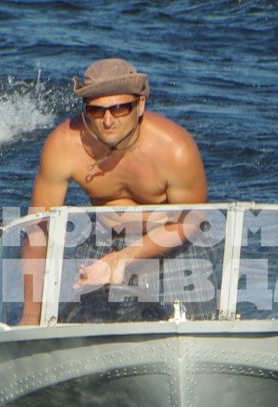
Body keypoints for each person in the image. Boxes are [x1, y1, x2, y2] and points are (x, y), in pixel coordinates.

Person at [20, 58, 208, 323]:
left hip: (173, 242)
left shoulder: (175, 150)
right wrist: (30, 317)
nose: (108, 120)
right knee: (76, 323)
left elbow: (191, 221)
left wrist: (124, 258)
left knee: (196, 320)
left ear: (140, 105)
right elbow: (37, 229)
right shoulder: (63, 145)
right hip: (104, 238)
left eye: (119, 108)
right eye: (96, 111)